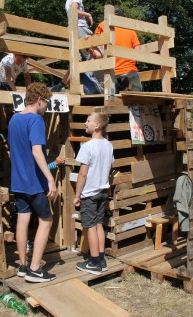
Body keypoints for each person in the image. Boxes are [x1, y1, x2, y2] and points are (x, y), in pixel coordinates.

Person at [8, 83, 57, 283]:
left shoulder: (13, 119)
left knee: (22, 220)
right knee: (46, 221)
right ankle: (35, 269)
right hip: (35, 183)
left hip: (18, 181)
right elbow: (37, 151)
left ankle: (22, 265)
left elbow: (13, 150)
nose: (47, 108)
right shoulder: (36, 120)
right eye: (47, 104)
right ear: (39, 100)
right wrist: (50, 178)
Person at [73, 112, 114, 275]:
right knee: (98, 225)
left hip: (89, 193)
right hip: (103, 191)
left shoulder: (87, 146)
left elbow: (82, 174)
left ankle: (94, 262)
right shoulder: (108, 145)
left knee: (89, 227)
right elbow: (110, 165)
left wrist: (77, 195)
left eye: (88, 120)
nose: (85, 123)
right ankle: (101, 259)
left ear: (97, 125)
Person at [95, 8, 143, 91]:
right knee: (135, 100)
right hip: (130, 72)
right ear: (122, 18)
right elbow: (138, 50)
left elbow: (95, 43)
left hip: (111, 75)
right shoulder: (131, 30)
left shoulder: (103, 25)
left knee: (113, 100)